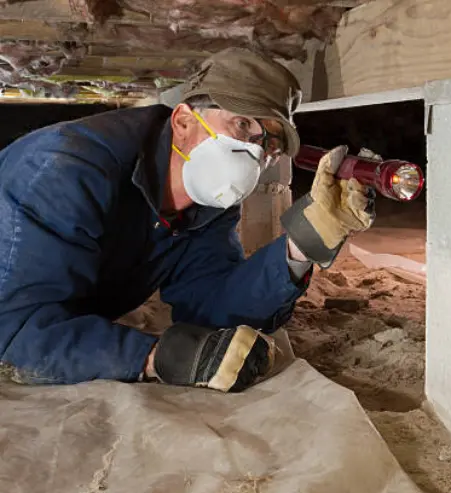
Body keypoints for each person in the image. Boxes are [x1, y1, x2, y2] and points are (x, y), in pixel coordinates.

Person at [0, 47, 374, 392]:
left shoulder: (209, 204)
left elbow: (210, 305)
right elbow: (17, 332)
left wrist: (301, 245)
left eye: (269, 142)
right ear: (182, 121)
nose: (255, 152)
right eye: (243, 124)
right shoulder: (64, 171)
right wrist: (155, 357)